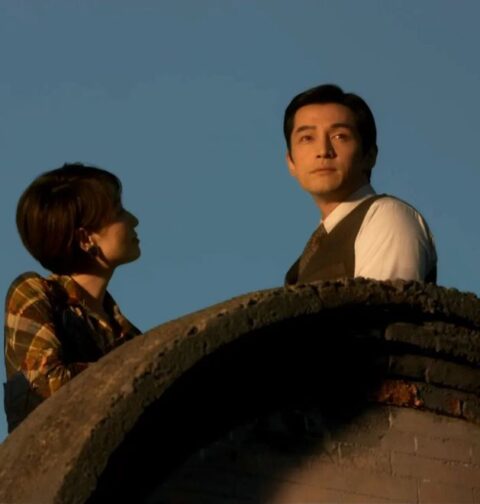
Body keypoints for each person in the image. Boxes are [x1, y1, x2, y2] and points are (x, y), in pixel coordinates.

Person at [4, 163, 142, 432]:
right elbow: (46, 385)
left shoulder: (126, 334)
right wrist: (134, 371)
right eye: (119, 212)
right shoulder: (35, 292)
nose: (133, 220)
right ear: (85, 238)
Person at [283, 84, 437, 285]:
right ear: (291, 162)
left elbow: (385, 303)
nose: (323, 151)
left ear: (369, 155)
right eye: (307, 138)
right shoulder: (308, 255)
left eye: (340, 136)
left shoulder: (386, 217)